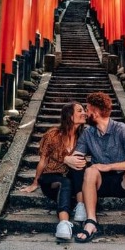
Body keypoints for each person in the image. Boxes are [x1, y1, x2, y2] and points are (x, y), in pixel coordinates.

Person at [65, 91, 125, 245]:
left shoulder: (122, 130)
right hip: (99, 183)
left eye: (87, 109)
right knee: (90, 170)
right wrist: (67, 158)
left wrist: (109, 166)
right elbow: (78, 157)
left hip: (122, 181)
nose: (86, 113)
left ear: (95, 112)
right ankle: (91, 221)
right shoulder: (88, 134)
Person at [23, 102, 88, 240]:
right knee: (65, 182)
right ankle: (63, 222)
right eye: (80, 111)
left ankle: (81, 205)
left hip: (73, 179)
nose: (84, 113)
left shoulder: (83, 136)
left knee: (79, 164)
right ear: (70, 116)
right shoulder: (53, 134)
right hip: (51, 178)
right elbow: (43, 160)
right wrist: (35, 182)